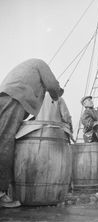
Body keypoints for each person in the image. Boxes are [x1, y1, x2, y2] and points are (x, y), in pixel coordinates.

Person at [0, 58, 64, 208]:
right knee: (5, 143)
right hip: (16, 98)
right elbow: (52, 85)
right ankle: (1, 194)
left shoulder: (25, 66)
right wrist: (57, 95)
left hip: (4, 96)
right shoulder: (40, 63)